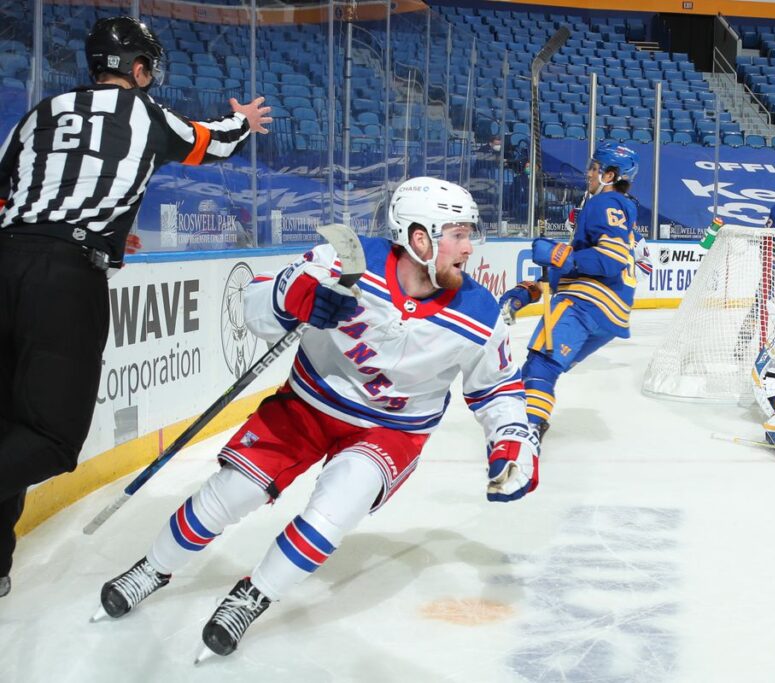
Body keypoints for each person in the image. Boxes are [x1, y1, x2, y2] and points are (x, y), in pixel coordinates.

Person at [95, 177, 540, 658]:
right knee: (231, 491)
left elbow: (496, 388)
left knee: (336, 508)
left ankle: (254, 595)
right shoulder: (344, 263)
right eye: (458, 234)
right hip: (308, 404)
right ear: (419, 237)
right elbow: (254, 308)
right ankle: (152, 568)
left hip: (392, 430)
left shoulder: (479, 312)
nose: (469, 248)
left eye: (469, 234)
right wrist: (291, 298)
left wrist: (512, 437)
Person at [0, 16, 270, 598]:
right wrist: (243, 122)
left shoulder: (40, 113)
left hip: (4, 256)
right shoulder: (146, 115)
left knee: (6, 422)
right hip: (64, 277)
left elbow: (6, 190)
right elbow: (211, 141)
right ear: (139, 70)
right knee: (48, 436)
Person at [498, 141, 644, 440]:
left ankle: (527, 433)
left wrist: (557, 255)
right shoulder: (622, 209)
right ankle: (531, 418)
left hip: (586, 303)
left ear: (610, 174)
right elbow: (575, 268)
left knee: (542, 365)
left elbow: (610, 260)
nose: (588, 173)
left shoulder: (604, 203)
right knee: (542, 367)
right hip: (609, 315)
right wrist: (523, 294)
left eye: (594, 168)